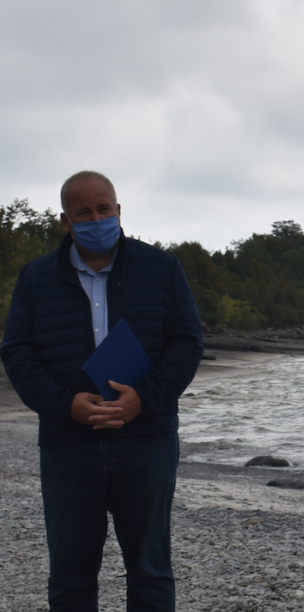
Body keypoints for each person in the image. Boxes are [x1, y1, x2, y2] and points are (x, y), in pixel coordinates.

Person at [1, 170, 204, 611]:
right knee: (70, 578)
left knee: (150, 571)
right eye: (84, 212)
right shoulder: (35, 278)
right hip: (69, 444)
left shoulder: (162, 268)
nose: (96, 219)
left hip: (147, 439)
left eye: (103, 209)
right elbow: (16, 352)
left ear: (118, 210)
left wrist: (144, 398)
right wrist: (63, 405)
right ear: (65, 221)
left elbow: (187, 343)